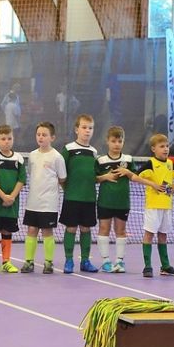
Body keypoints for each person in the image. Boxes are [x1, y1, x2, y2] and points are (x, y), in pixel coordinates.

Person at [133, 133, 174, 278]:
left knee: (163, 235)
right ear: (153, 149)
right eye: (162, 146)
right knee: (149, 234)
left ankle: (165, 266)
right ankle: (147, 266)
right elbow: (135, 177)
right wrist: (152, 184)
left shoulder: (170, 163)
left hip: (167, 206)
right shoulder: (150, 164)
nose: (166, 149)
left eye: (167, 146)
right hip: (153, 206)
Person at [21, 122, 67, 274]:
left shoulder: (57, 157)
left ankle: (48, 262)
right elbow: (31, 173)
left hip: (49, 203)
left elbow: (62, 178)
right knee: (31, 230)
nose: (41, 137)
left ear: (52, 137)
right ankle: (29, 262)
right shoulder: (32, 155)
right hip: (33, 202)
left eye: (44, 135)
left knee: (47, 231)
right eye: (38, 134)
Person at [60, 114, 99, 274]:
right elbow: (61, 173)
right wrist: (68, 189)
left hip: (89, 198)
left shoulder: (94, 152)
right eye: (84, 127)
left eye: (90, 128)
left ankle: (85, 260)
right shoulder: (68, 149)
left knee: (86, 229)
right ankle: (69, 260)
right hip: (72, 197)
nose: (87, 131)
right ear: (77, 129)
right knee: (71, 228)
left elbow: (94, 175)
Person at [0, 124, 25, 274]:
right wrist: (3, 196)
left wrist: (11, 197)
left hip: (12, 206)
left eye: (9, 138)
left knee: (7, 232)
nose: (6, 141)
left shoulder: (19, 159)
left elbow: (21, 179)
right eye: (3, 139)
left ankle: (6, 262)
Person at [95, 126, 133, 273]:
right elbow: (94, 178)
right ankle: (105, 262)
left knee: (121, 231)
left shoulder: (128, 160)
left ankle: (119, 262)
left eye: (120, 141)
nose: (117, 144)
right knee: (104, 229)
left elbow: (135, 176)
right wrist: (106, 177)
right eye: (113, 141)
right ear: (107, 141)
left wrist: (127, 172)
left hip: (122, 203)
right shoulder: (100, 160)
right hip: (105, 202)